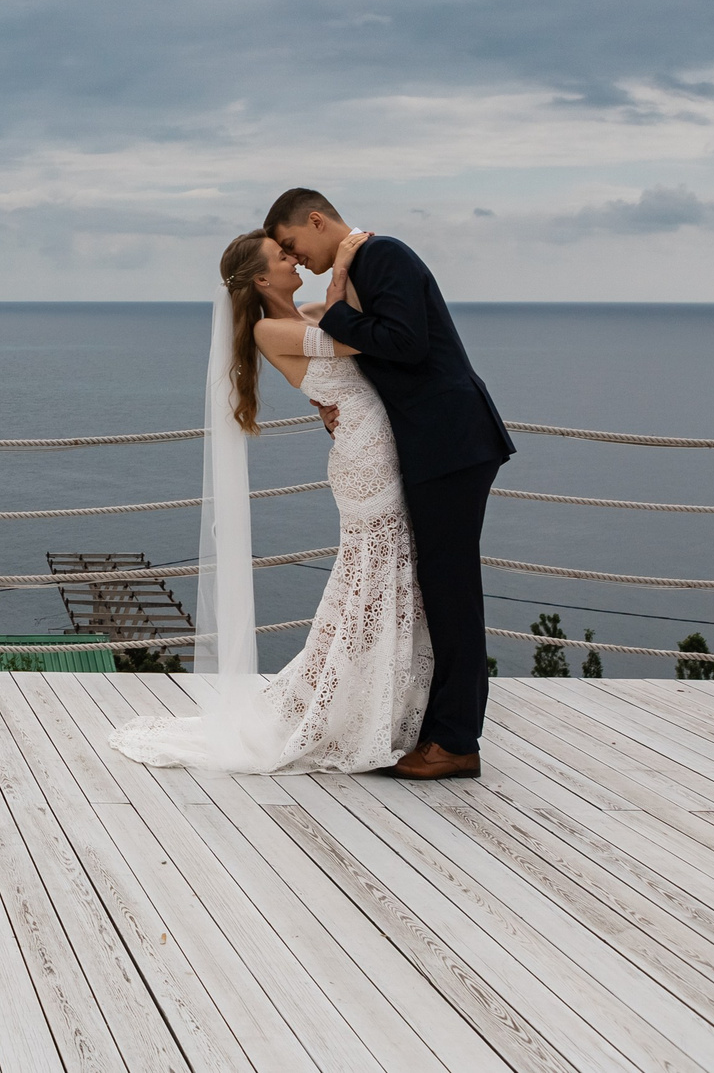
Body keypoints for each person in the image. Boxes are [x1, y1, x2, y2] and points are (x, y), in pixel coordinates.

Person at [111, 229, 432, 774]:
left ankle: (380, 699)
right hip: (363, 457)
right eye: (282, 257)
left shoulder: (308, 309)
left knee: (386, 573)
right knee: (374, 573)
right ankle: (357, 707)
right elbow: (355, 341)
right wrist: (343, 264)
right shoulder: (268, 328)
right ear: (261, 278)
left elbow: (363, 327)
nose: (292, 260)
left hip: (373, 441)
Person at [269, 188, 512, 781]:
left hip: (450, 442)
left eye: (292, 244)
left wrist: (332, 310)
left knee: (452, 591)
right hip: (434, 444)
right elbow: (377, 356)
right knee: (443, 587)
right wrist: (330, 405)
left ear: (317, 219)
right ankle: (441, 728)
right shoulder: (366, 266)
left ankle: (456, 742)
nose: (294, 258)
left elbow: (406, 342)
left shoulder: (385, 257)